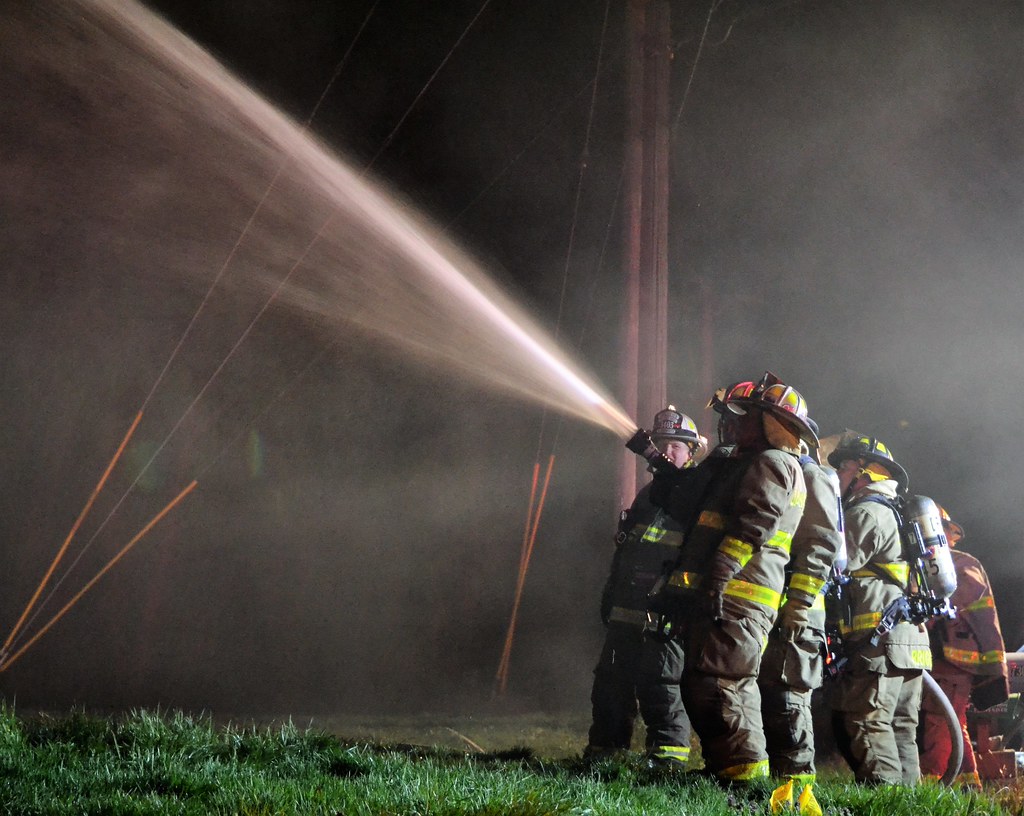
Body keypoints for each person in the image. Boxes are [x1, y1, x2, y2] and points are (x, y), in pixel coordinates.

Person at [649, 372, 814, 783]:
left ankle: (745, 786)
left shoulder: (773, 463)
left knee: (725, 687)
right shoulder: (748, 463)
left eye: (748, 416)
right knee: (706, 685)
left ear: (770, 423)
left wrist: (717, 578)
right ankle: (730, 773)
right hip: (727, 596)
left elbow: (751, 529)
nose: (735, 423)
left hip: (738, 596)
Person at [585, 406, 705, 766]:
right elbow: (629, 547)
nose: (667, 452)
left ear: (691, 453)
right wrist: (611, 590)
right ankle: (606, 753)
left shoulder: (695, 494)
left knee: (662, 684)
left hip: (665, 612)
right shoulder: (647, 495)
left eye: (676, 446)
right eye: (662, 444)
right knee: (610, 681)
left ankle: (667, 761)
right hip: (629, 606)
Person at [827, 434, 931, 785]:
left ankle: (885, 802)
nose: (839, 475)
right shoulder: (899, 514)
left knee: (868, 721)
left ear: (865, 472)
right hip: (910, 639)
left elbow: (836, 563)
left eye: (843, 467)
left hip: (880, 641)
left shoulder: (867, 511)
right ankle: (910, 804)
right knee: (901, 726)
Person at [758, 419, 845, 785]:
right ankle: (775, 786)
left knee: (788, 700)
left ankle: (797, 789)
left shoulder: (812, 476)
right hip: (772, 607)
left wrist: (797, 605)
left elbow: (821, 546)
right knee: (768, 699)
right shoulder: (780, 470)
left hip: (799, 613)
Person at [919, 505, 1009, 788]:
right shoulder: (941, 563)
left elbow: (947, 606)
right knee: (954, 721)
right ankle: (969, 785)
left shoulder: (959, 564)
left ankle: (933, 785)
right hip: (947, 658)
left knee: (940, 719)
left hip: (957, 660)